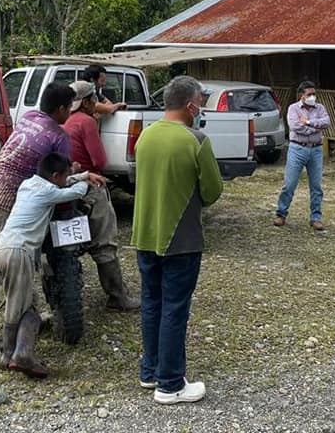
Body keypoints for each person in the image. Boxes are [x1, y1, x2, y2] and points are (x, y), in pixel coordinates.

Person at [0, 81, 76, 352]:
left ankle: (31, 318)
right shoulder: (58, 135)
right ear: (61, 109)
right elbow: (59, 176)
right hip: (0, 205)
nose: (70, 113)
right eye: (69, 108)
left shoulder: (28, 118)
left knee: (15, 267)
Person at [131, 75, 224, 404]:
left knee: (151, 304)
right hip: (181, 240)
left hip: (144, 235)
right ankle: (170, 384)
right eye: (201, 101)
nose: (202, 107)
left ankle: (150, 370)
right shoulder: (196, 140)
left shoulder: (144, 137)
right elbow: (212, 192)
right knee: (174, 308)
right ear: (190, 105)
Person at [0, 152, 90, 378]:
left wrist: (80, 174)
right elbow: (72, 192)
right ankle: (20, 355)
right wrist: (86, 180)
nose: (67, 178)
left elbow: (63, 186)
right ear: (55, 175)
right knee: (26, 310)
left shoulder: (29, 185)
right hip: (20, 252)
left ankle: (9, 355)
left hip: (2, 249)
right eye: (65, 175)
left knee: (17, 303)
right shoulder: (48, 192)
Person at [62, 79, 139, 311]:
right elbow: (99, 160)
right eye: (94, 98)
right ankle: (117, 296)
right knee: (105, 241)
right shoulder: (86, 122)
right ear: (86, 101)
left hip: (64, 185)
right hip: (89, 186)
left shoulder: (63, 119)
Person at [272, 80, 330, 231]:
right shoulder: (293, 108)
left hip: (316, 149)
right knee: (289, 184)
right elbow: (294, 126)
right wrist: (314, 129)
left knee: (316, 186)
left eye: (314, 94)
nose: (313, 96)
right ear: (301, 95)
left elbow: (326, 122)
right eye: (309, 94)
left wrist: (309, 122)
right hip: (297, 148)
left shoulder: (320, 108)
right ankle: (281, 213)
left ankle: (316, 217)